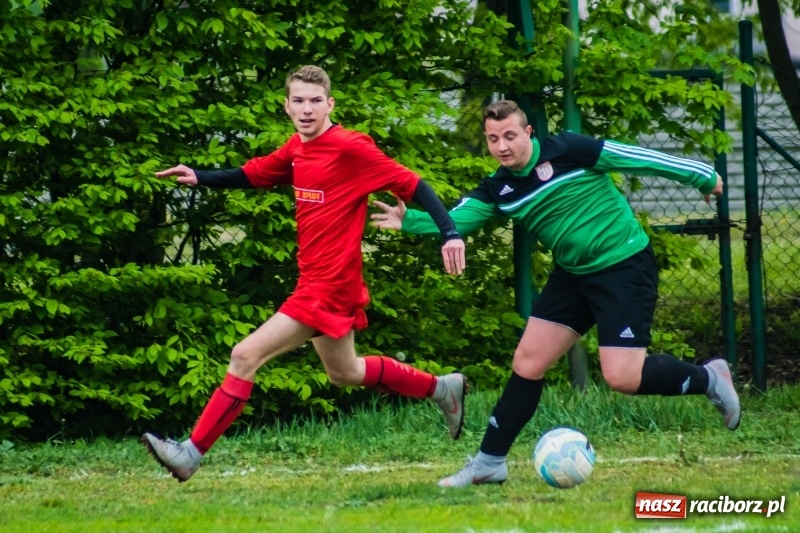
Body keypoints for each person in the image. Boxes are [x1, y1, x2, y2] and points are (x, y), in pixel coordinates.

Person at [370, 99, 741, 488]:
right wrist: (408, 220)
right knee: (528, 361)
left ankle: (710, 378)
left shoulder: (568, 150)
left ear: (528, 133)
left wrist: (701, 175)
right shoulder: (500, 188)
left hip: (623, 267)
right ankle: (489, 462)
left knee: (622, 377)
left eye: (510, 135)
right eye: (493, 139)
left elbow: (635, 157)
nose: (502, 146)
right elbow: (457, 219)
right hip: (574, 276)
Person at [142, 65, 468, 483]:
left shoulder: (351, 147)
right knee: (345, 372)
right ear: (287, 106)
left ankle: (190, 452)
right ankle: (442, 389)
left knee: (244, 355)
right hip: (317, 281)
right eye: (299, 101)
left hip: (329, 286)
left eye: (316, 101)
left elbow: (412, 184)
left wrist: (450, 233)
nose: (307, 109)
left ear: (330, 104)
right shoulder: (297, 148)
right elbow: (256, 173)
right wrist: (200, 176)